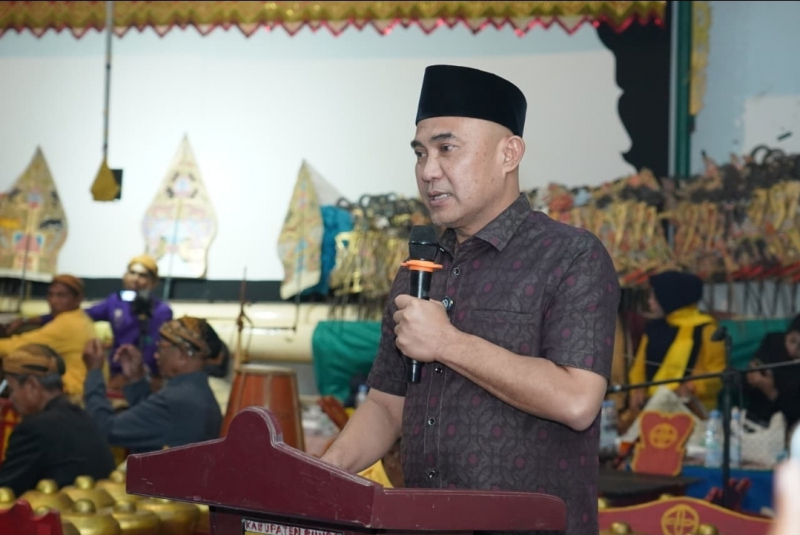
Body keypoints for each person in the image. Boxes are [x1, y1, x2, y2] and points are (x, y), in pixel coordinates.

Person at [320, 65, 620, 535]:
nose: (428, 171)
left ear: (509, 153)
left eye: (447, 148)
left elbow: (577, 399)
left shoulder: (570, 256)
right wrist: (323, 475)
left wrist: (446, 343)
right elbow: (386, 405)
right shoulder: (419, 269)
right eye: (420, 153)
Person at [10, 255, 173, 388]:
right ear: (124, 276)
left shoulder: (161, 311)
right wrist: (27, 320)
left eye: (143, 275)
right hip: (114, 372)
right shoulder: (115, 302)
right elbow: (80, 314)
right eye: (132, 273)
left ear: (154, 282)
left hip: (145, 376)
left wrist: (134, 376)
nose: (135, 279)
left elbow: (153, 349)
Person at [82, 316, 223, 453]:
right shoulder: (197, 394)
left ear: (183, 355)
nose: (156, 355)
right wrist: (136, 380)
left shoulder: (176, 400)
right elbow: (149, 424)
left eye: (161, 348)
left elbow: (105, 429)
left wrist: (94, 371)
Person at [0, 344, 115, 496]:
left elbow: (5, 492)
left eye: (11, 390)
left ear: (32, 386)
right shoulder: (81, 415)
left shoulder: (35, 429)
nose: (11, 399)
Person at [628, 271, 725, 413]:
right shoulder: (653, 328)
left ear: (670, 297)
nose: (650, 301)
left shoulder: (706, 329)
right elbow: (639, 368)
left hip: (694, 410)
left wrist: (692, 387)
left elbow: (718, 375)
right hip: (653, 408)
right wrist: (638, 389)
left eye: (654, 296)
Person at [0, 275, 96, 397]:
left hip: (72, 392)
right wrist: (24, 321)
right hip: (86, 388)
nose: (53, 301)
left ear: (78, 299)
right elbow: (45, 319)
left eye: (61, 295)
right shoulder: (81, 317)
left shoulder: (67, 324)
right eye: (50, 295)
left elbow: (18, 346)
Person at [744, 315, 800, 432]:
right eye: (792, 340)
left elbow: (795, 414)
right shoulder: (773, 342)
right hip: (753, 420)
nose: (793, 349)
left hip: (788, 430)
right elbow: (748, 379)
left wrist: (771, 392)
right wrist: (751, 378)